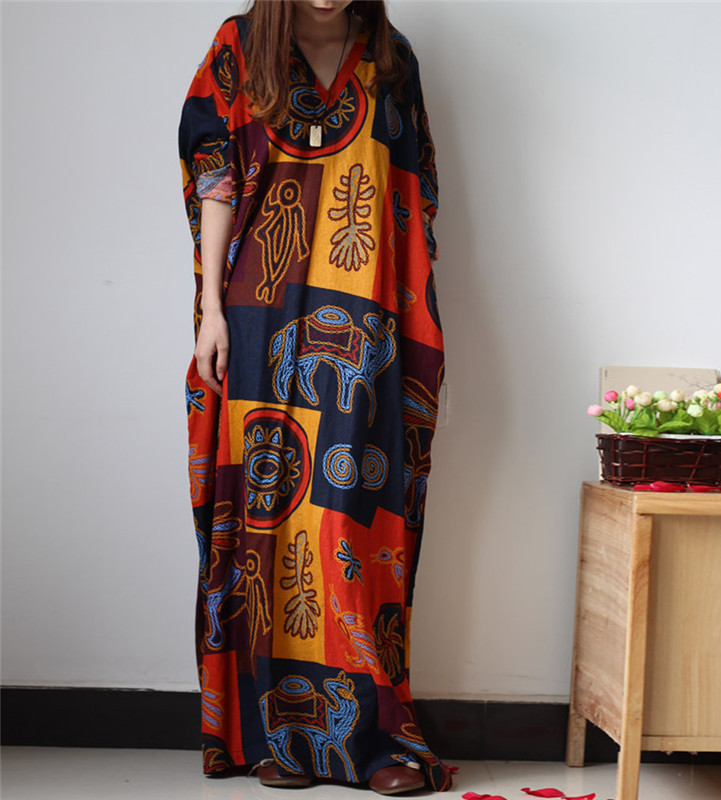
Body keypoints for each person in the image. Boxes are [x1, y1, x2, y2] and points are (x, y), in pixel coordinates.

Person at [178, 0, 449, 794]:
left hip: (368, 317)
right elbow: (214, 177)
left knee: (353, 521)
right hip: (258, 314)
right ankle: (276, 739)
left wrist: (411, 324)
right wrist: (211, 311)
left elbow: (413, 197)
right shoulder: (239, 45)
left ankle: (372, 738)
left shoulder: (391, 58)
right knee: (264, 521)